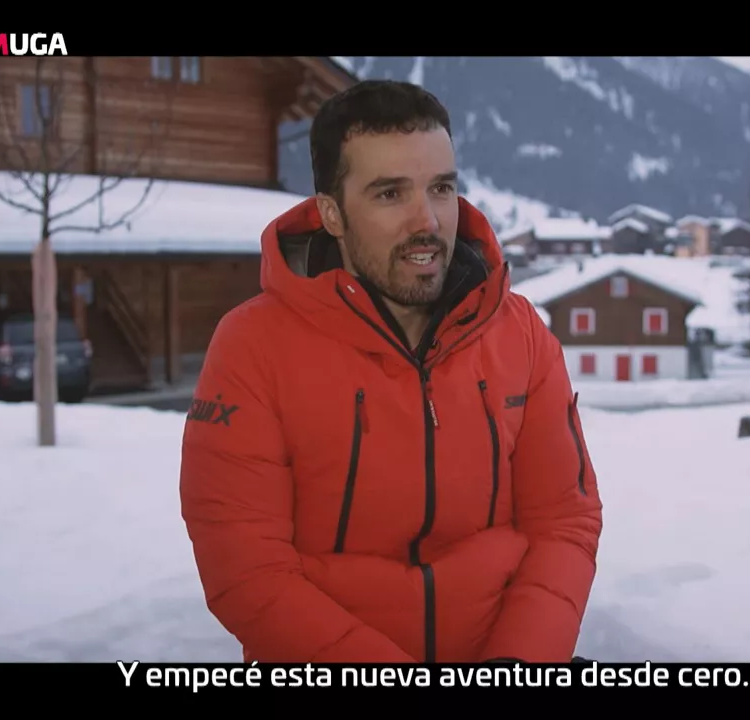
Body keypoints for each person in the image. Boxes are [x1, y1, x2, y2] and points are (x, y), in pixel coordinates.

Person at [179, 79, 602, 664]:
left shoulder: (520, 333)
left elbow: (564, 521)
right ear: (332, 213)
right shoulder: (253, 346)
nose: (426, 221)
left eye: (441, 189)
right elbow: (245, 569)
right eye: (389, 194)